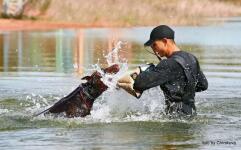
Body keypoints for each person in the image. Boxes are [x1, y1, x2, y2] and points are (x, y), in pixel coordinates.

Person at [117, 25, 208, 116]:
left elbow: (139, 84)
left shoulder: (169, 63)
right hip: (191, 115)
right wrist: (182, 89)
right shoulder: (191, 58)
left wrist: (140, 72)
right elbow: (203, 85)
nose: (153, 49)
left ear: (165, 41)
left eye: (154, 45)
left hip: (174, 121)